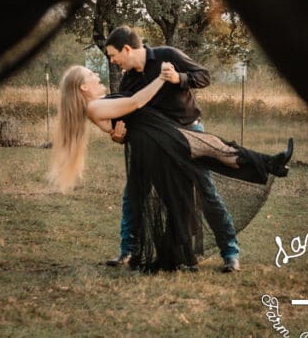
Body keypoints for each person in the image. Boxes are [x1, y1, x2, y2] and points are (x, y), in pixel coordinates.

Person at [49, 65, 293, 272]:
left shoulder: (100, 103)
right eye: (91, 75)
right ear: (82, 87)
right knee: (215, 152)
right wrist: (161, 79)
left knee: (215, 152)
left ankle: (270, 164)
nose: (97, 76)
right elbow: (135, 103)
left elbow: (122, 129)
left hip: (161, 134)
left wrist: (118, 136)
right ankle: (269, 165)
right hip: (162, 140)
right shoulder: (94, 108)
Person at [103, 26, 245, 272]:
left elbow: (204, 76)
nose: (113, 61)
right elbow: (128, 114)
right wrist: (119, 136)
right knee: (135, 192)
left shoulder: (168, 55)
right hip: (154, 144)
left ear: (127, 49)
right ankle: (128, 250)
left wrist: (179, 78)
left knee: (205, 192)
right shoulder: (129, 80)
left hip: (190, 134)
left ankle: (230, 253)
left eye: (114, 55)